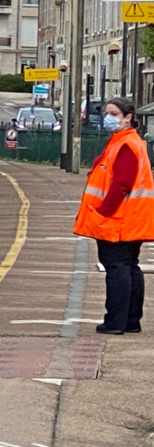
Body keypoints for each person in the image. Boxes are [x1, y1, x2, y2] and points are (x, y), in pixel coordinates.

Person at [74, 97, 154, 334]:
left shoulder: (126, 144)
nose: (107, 118)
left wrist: (103, 211)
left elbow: (121, 184)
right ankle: (130, 321)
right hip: (131, 218)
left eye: (114, 114)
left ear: (128, 117)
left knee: (117, 268)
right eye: (107, 113)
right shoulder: (127, 142)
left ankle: (116, 322)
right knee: (129, 267)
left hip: (119, 219)